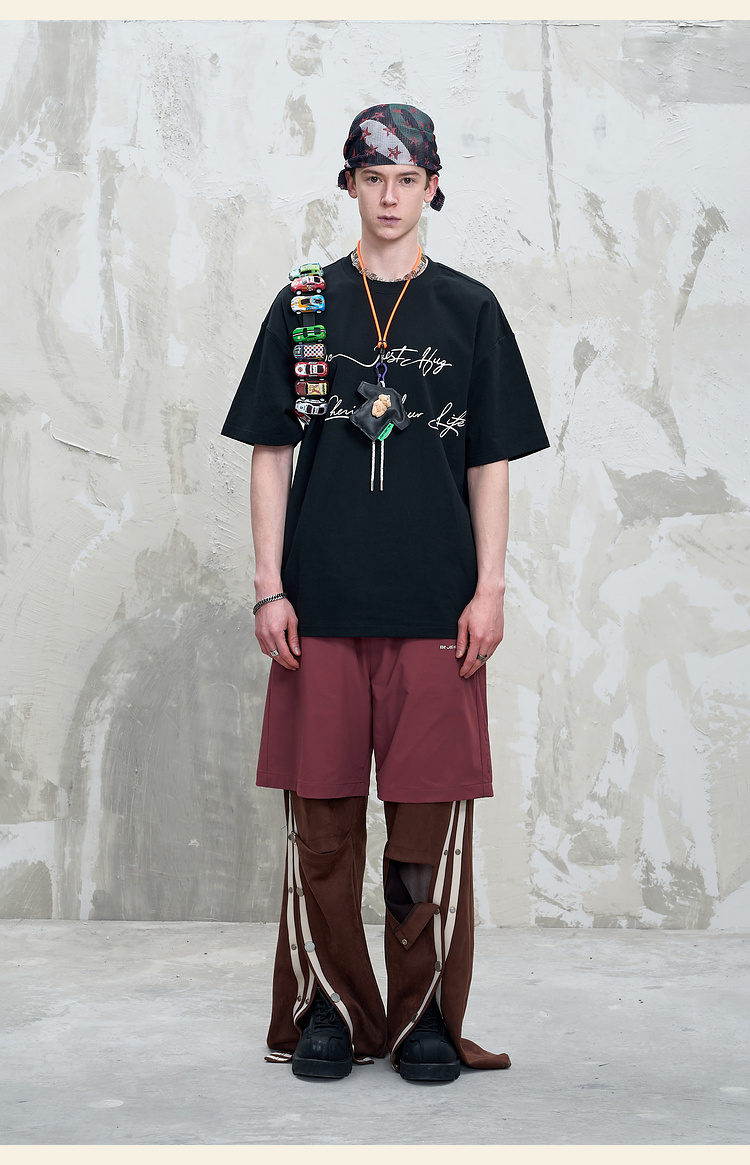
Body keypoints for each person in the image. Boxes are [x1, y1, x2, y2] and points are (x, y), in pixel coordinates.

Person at [221, 104, 549, 1083]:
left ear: (433, 187)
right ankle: (327, 1006)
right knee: (323, 828)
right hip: (319, 610)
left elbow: (489, 461)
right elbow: (270, 450)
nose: (391, 196)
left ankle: (422, 1019)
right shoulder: (307, 305)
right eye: (374, 178)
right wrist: (269, 585)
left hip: (436, 613)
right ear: (350, 185)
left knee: (422, 834)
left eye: (408, 180)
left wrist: (490, 588)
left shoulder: (470, 309)